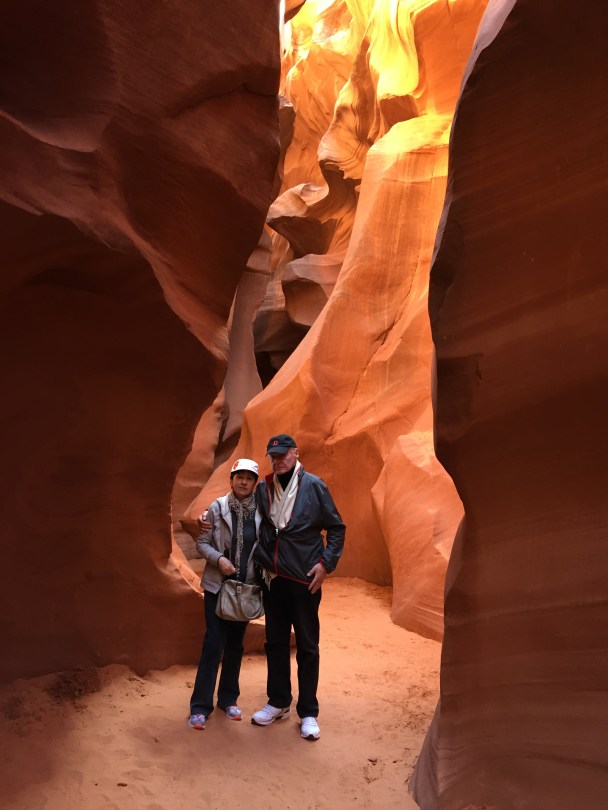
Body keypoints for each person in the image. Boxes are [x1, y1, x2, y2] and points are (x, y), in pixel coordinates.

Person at [251, 434, 345, 741]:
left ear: (295, 453)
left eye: (282, 455)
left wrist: (326, 564)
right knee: (275, 643)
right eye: (273, 457)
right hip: (273, 580)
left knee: (306, 647)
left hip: (305, 581)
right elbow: (247, 516)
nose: (277, 461)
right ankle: (278, 702)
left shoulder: (314, 486)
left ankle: (308, 712)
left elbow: (336, 528)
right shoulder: (264, 488)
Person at [188, 458, 261, 730]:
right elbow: (202, 544)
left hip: (245, 588)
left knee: (235, 645)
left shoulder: (261, 512)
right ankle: (200, 706)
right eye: (239, 476)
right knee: (213, 642)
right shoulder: (217, 509)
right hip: (218, 586)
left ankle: (228, 699)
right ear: (231, 479)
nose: (243, 481)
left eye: (249, 478)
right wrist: (218, 559)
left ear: (255, 483)